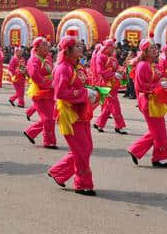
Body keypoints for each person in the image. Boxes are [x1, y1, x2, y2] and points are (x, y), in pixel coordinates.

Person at [48, 31, 99, 196]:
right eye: (76, 46)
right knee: (82, 149)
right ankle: (82, 183)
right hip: (70, 113)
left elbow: (83, 84)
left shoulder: (77, 66)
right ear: (67, 50)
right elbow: (61, 93)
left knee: (86, 147)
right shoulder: (63, 69)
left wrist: (92, 91)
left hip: (81, 111)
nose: (81, 47)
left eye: (80, 45)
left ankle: (59, 172)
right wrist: (84, 93)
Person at [128, 38, 167, 168]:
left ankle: (137, 150)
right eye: (151, 48)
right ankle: (158, 158)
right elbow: (140, 86)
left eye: (155, 47)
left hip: (156, 99)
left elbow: (160, 76)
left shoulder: (153, 64)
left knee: (157, 130)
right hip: (148, 101)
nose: (155, 50)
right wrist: (159, 85)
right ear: (145, 51)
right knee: (159, 131)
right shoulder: (143, 65)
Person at [22, 37, 56, 149]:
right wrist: (49, 84)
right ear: (37, 48)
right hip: (40, 91)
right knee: (48, 118)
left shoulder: (47, 59)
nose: (47, 47)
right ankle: (48, 141)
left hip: (50, 90)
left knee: (50, 117)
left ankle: (31, 132)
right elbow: (35, 76)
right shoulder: (33, 60)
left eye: (47, 45)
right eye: (44, 45)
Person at [93, 39, 128, 134]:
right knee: (115, 105)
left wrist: (122, 71)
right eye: (112, 48)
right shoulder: (100, 57)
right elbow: (100, 71)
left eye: (114, 48)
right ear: (107, 48)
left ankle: (99, 123)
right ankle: (119, 126)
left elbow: (117, 68)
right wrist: (114, 74)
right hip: (106, 85)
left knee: (109, 106)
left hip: (114, 85)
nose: (113, 50)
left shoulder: (113, 58)